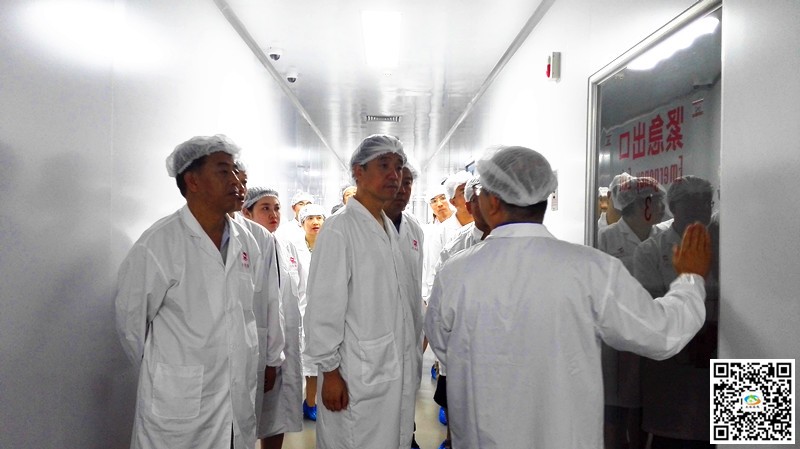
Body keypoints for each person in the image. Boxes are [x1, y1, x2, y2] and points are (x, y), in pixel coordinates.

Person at [424, 145, 712, 449]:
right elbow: (661, 334)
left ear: (493, 202)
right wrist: (691, 280)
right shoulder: (591, 269)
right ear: (543, 197)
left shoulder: (455, 273)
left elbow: (442, 344)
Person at [115, 135, 284, 449]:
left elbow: (247, 312)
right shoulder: (158, 244)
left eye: (234, 170)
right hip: (179, 406)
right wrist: (171, 373)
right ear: (192, 181)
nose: (235, 180)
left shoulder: (247, 241)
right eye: (223, 171)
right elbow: (131, 327)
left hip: (235, 399)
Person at [303, 134, 423, 449]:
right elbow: (323, 307)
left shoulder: (388, 228)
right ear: (358, 171)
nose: (394, 175)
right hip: (353, 373)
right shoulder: (340, 228)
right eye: (383, 165)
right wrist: (329, 372)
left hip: (387, 366)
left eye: (398, 167)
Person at [634, 175, 718, 449]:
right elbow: (651, 310)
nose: (700, 209)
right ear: (673, 207)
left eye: (705, 202)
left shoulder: (730, 244)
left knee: (739, 436)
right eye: (690, 202)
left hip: (727, 353)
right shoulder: (650, 251)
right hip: (676, 366)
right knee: (674, 438)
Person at [597, 175, 665, 449]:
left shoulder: (662, 237)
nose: (662, 207)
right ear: (641, 204)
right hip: (617, 337)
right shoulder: (606, 238)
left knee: (644, 406)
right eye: (657, 201)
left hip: (652, 330)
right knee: (615, 407)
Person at [430, 174, 491, 449]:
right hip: (461, 346)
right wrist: (449, 357)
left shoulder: (512, 244)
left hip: (498, 349)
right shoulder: (455, 246)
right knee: (457, 405)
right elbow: (438, 310)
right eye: (477, 200)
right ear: (468, 205)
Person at [243, 186, 304, 449]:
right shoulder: (245, 247)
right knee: (248, 417)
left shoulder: (286, 245)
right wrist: (269, 357)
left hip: (286, 346)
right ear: (247, 212)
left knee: (278, 416)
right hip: (258, 348)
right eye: (265, 208)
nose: (273, 214)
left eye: (277, 208)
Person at [383, 163, 426, 449]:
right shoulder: (358, 226)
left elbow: (415, 283)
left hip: (409, 333)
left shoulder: (414, 229)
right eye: (397, 182)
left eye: (408, 182)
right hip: (373, 339)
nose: (403, 189)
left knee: (407, 393)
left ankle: (407, 438)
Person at [294, 203, 328, 421]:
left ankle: (315, 403)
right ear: (302, 223)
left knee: (324, 361)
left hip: (326, 311)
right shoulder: (294, 248)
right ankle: (310, 403)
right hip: (302, 311)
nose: (315, 222)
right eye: (310, 218)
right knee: (308, 363)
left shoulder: (331, 246)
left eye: (319, 218)